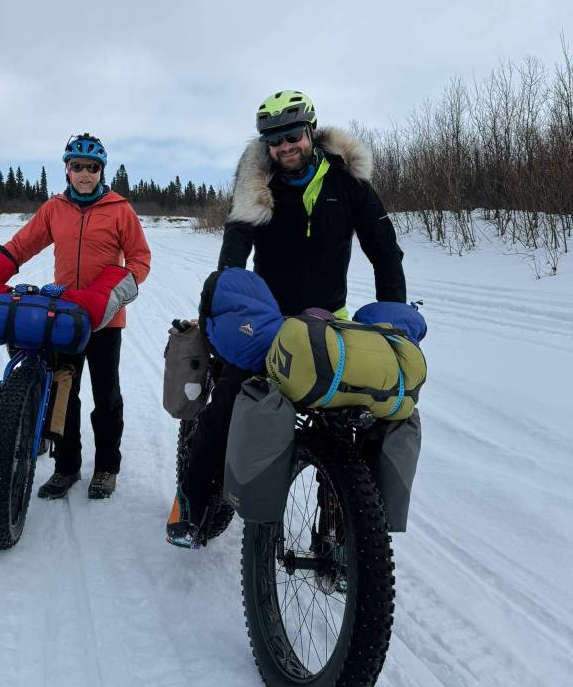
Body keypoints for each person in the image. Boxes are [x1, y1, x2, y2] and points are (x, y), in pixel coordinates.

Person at [167, 89, 407, 546]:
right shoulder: (259, 187)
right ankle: (192, 503)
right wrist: (223, 301)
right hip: (268, 324)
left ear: (310, 133)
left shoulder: (347, 182)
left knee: (354, 418)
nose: (285, 147)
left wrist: (391, 320)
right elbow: (235, 252)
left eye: (292, 135)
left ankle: (342, 532)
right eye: (274, 140)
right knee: (228, 404)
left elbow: (384, 251)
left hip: (328, 322)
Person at [0, 133, 151, 501]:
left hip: (107, 319)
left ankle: (107, 467)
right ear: (67, 169)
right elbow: (22, 245)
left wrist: (111, 292)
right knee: (65, 392)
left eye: (92, 168)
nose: (84, 174)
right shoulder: (54, 209)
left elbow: (140, 258)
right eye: (77, 166)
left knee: (106, 395)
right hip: (64, 318)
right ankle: (67, 467)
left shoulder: (120, 209)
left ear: (101, 171)